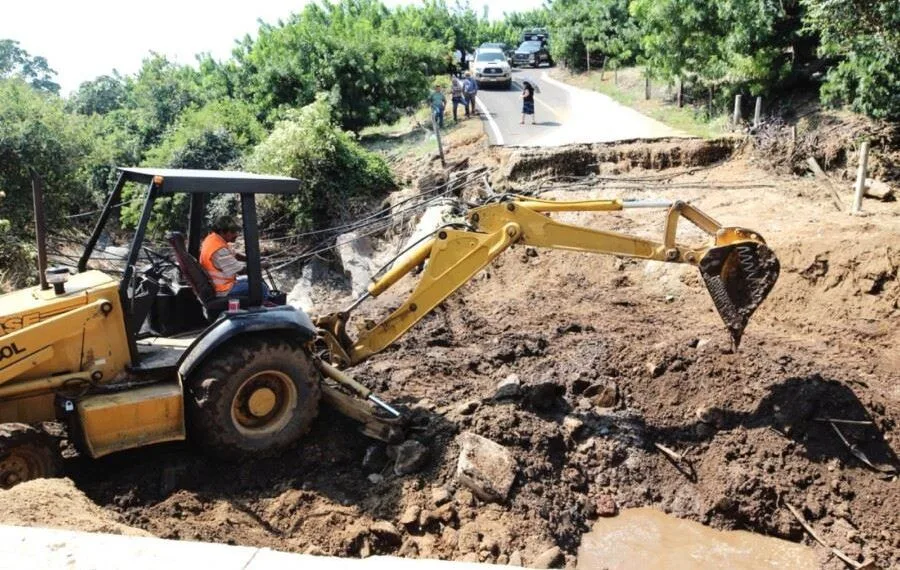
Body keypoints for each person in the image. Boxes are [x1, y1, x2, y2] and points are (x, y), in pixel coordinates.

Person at [199, 215, 269, 298]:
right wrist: (261, 265)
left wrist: (256, 259)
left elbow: (235, 255)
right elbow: (241, 271)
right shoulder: (218, 250)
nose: (236, 234)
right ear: (222, 232)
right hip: (223, 290)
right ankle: (263, 305)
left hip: (223, 284)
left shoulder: (213, 239)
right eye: (232, 232)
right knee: (261, 288)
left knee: (258, 279)